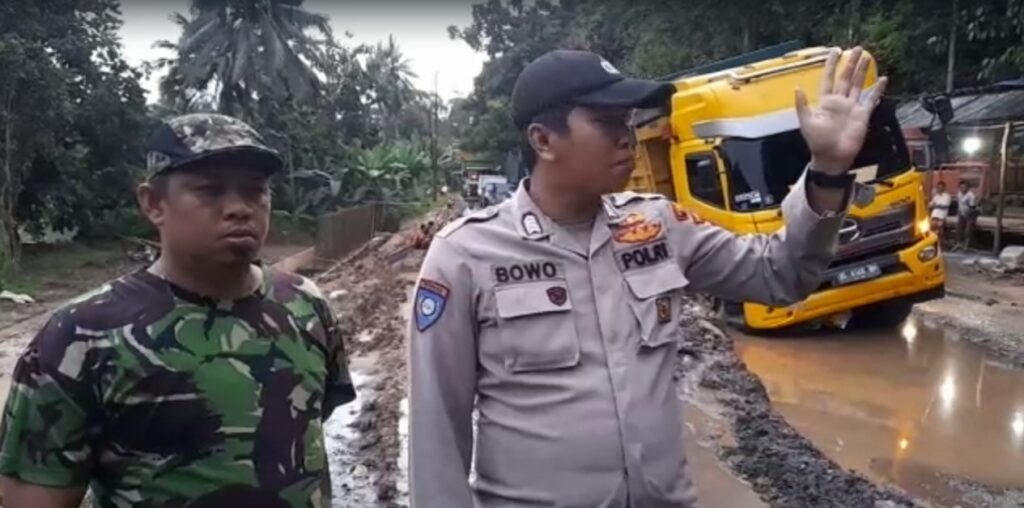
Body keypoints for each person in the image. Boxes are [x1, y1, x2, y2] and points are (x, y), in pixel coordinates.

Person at [408, 47, 886, 507]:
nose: (627, 137)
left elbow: (779, 276)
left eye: (627, 122)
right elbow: (436, 434)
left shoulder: (658, 226)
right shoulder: (465, 256)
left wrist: (827, 171)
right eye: (605, 122)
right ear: (542, 140)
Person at [0, 114, 356, 508]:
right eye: (210, 190)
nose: (240, 209)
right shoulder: (82, 333)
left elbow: (302, 431)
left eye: (255, 191)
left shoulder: (305, 304)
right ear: (154, 203)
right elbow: (33, 496)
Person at [956, 179, 978, 251]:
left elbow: (972, 207)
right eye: (961, 187)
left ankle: (967, 245)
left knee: (967, 230)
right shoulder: (959, 194)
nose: (963, 189)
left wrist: (967, 214)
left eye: (964, 187)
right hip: (961, 213)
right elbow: (960, 204)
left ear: (968, 188)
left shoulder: (970, 195)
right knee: (959, 228)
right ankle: (959, 243)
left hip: (970, 214)